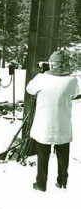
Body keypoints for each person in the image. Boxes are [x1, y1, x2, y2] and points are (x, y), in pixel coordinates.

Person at [26, 50, 79, 192]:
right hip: (62, 124)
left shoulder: (41, 78)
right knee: (63, 154)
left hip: (44, 125)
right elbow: (75, 94)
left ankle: (41, 184)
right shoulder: (72, 80)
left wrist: (43, 73)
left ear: (51, 64)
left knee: (43, 155)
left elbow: (29, 89)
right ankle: (62, 181)